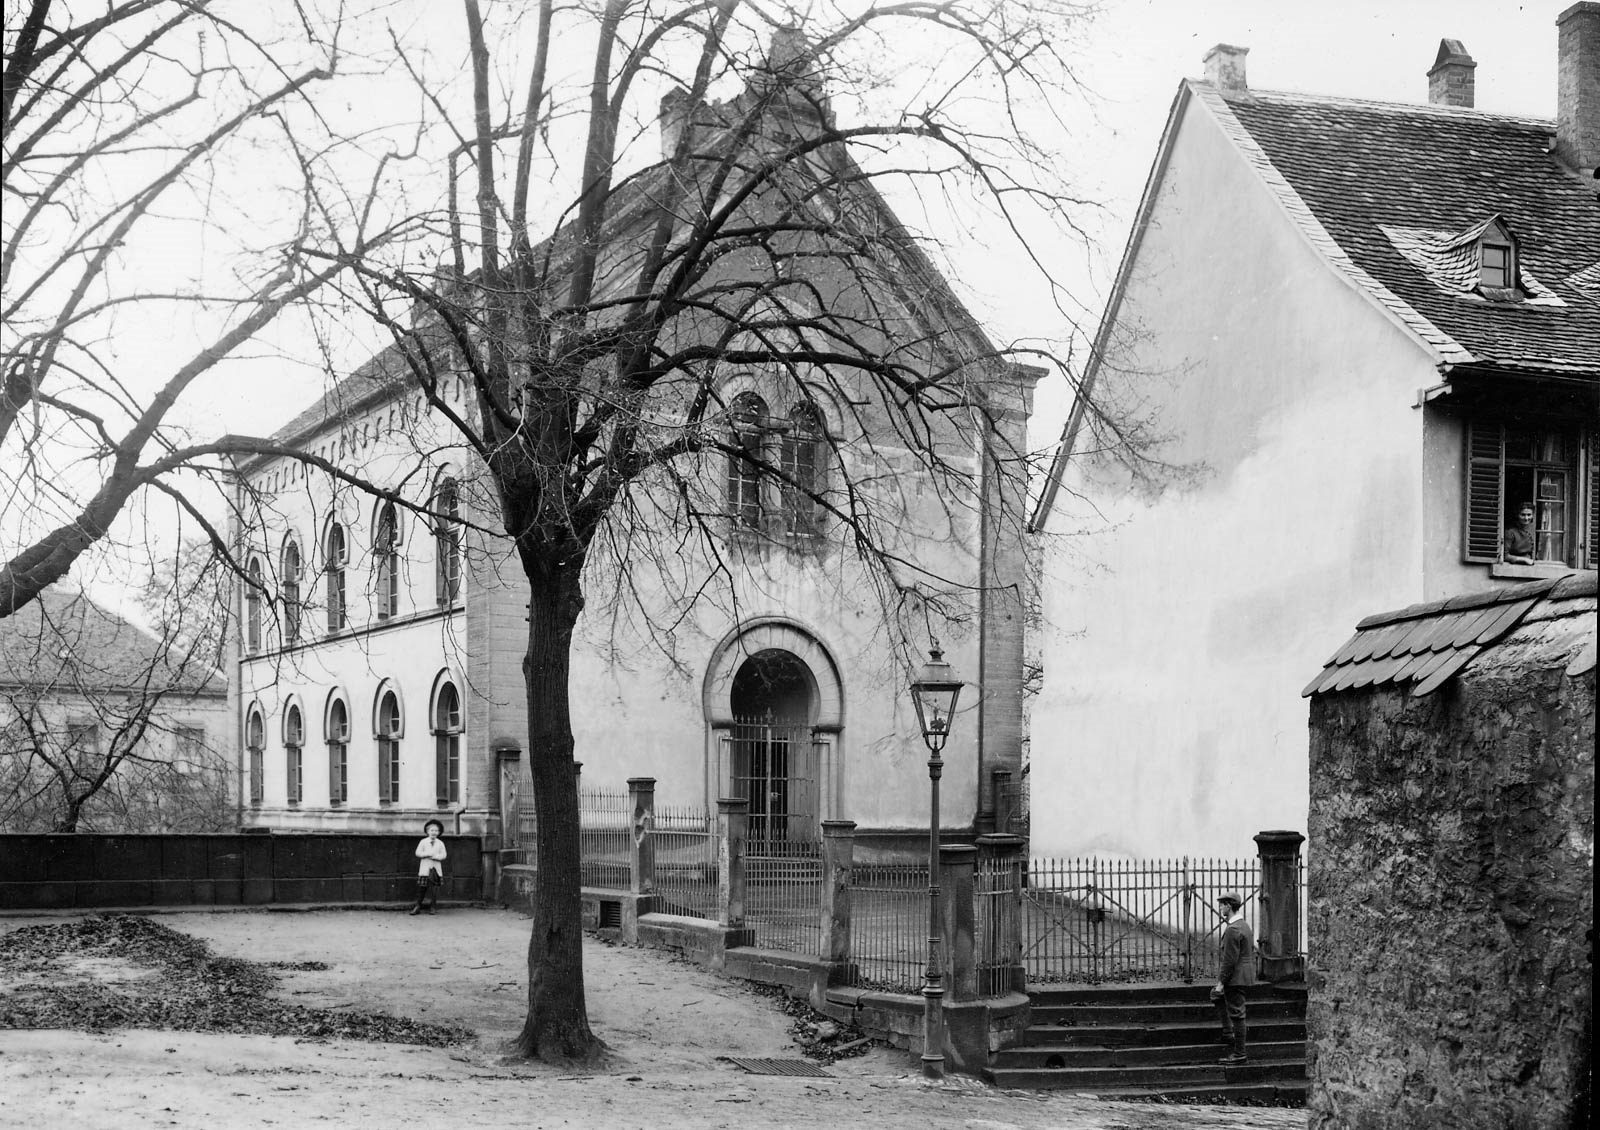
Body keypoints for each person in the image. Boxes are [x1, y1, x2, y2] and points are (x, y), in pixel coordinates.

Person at [1213, 891, 1256, 1065]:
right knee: (1216, 998)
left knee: (1237, 1014)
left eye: (1222, 904)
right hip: (1242, 974)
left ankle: (1239, 1054)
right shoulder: (1243, 924)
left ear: (1229, 906)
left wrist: (1221, 983)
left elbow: (1229, 961)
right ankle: (1228, 1034)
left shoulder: (1233, 929)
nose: (1221, 907)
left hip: (1235, 976)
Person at [410, 819, 447, 916]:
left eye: (436, 831)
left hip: (436, 869)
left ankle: (433, 906)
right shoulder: (423, 842)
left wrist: (436, 857)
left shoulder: (440, 843)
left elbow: (444, 855)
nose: (434, 832)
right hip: (425, 868)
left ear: (439, 833)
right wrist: (426, 854)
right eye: (432, 830)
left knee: (434, 888)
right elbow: (417, 853)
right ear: (427, 832)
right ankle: (418, 906)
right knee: (422, 888)